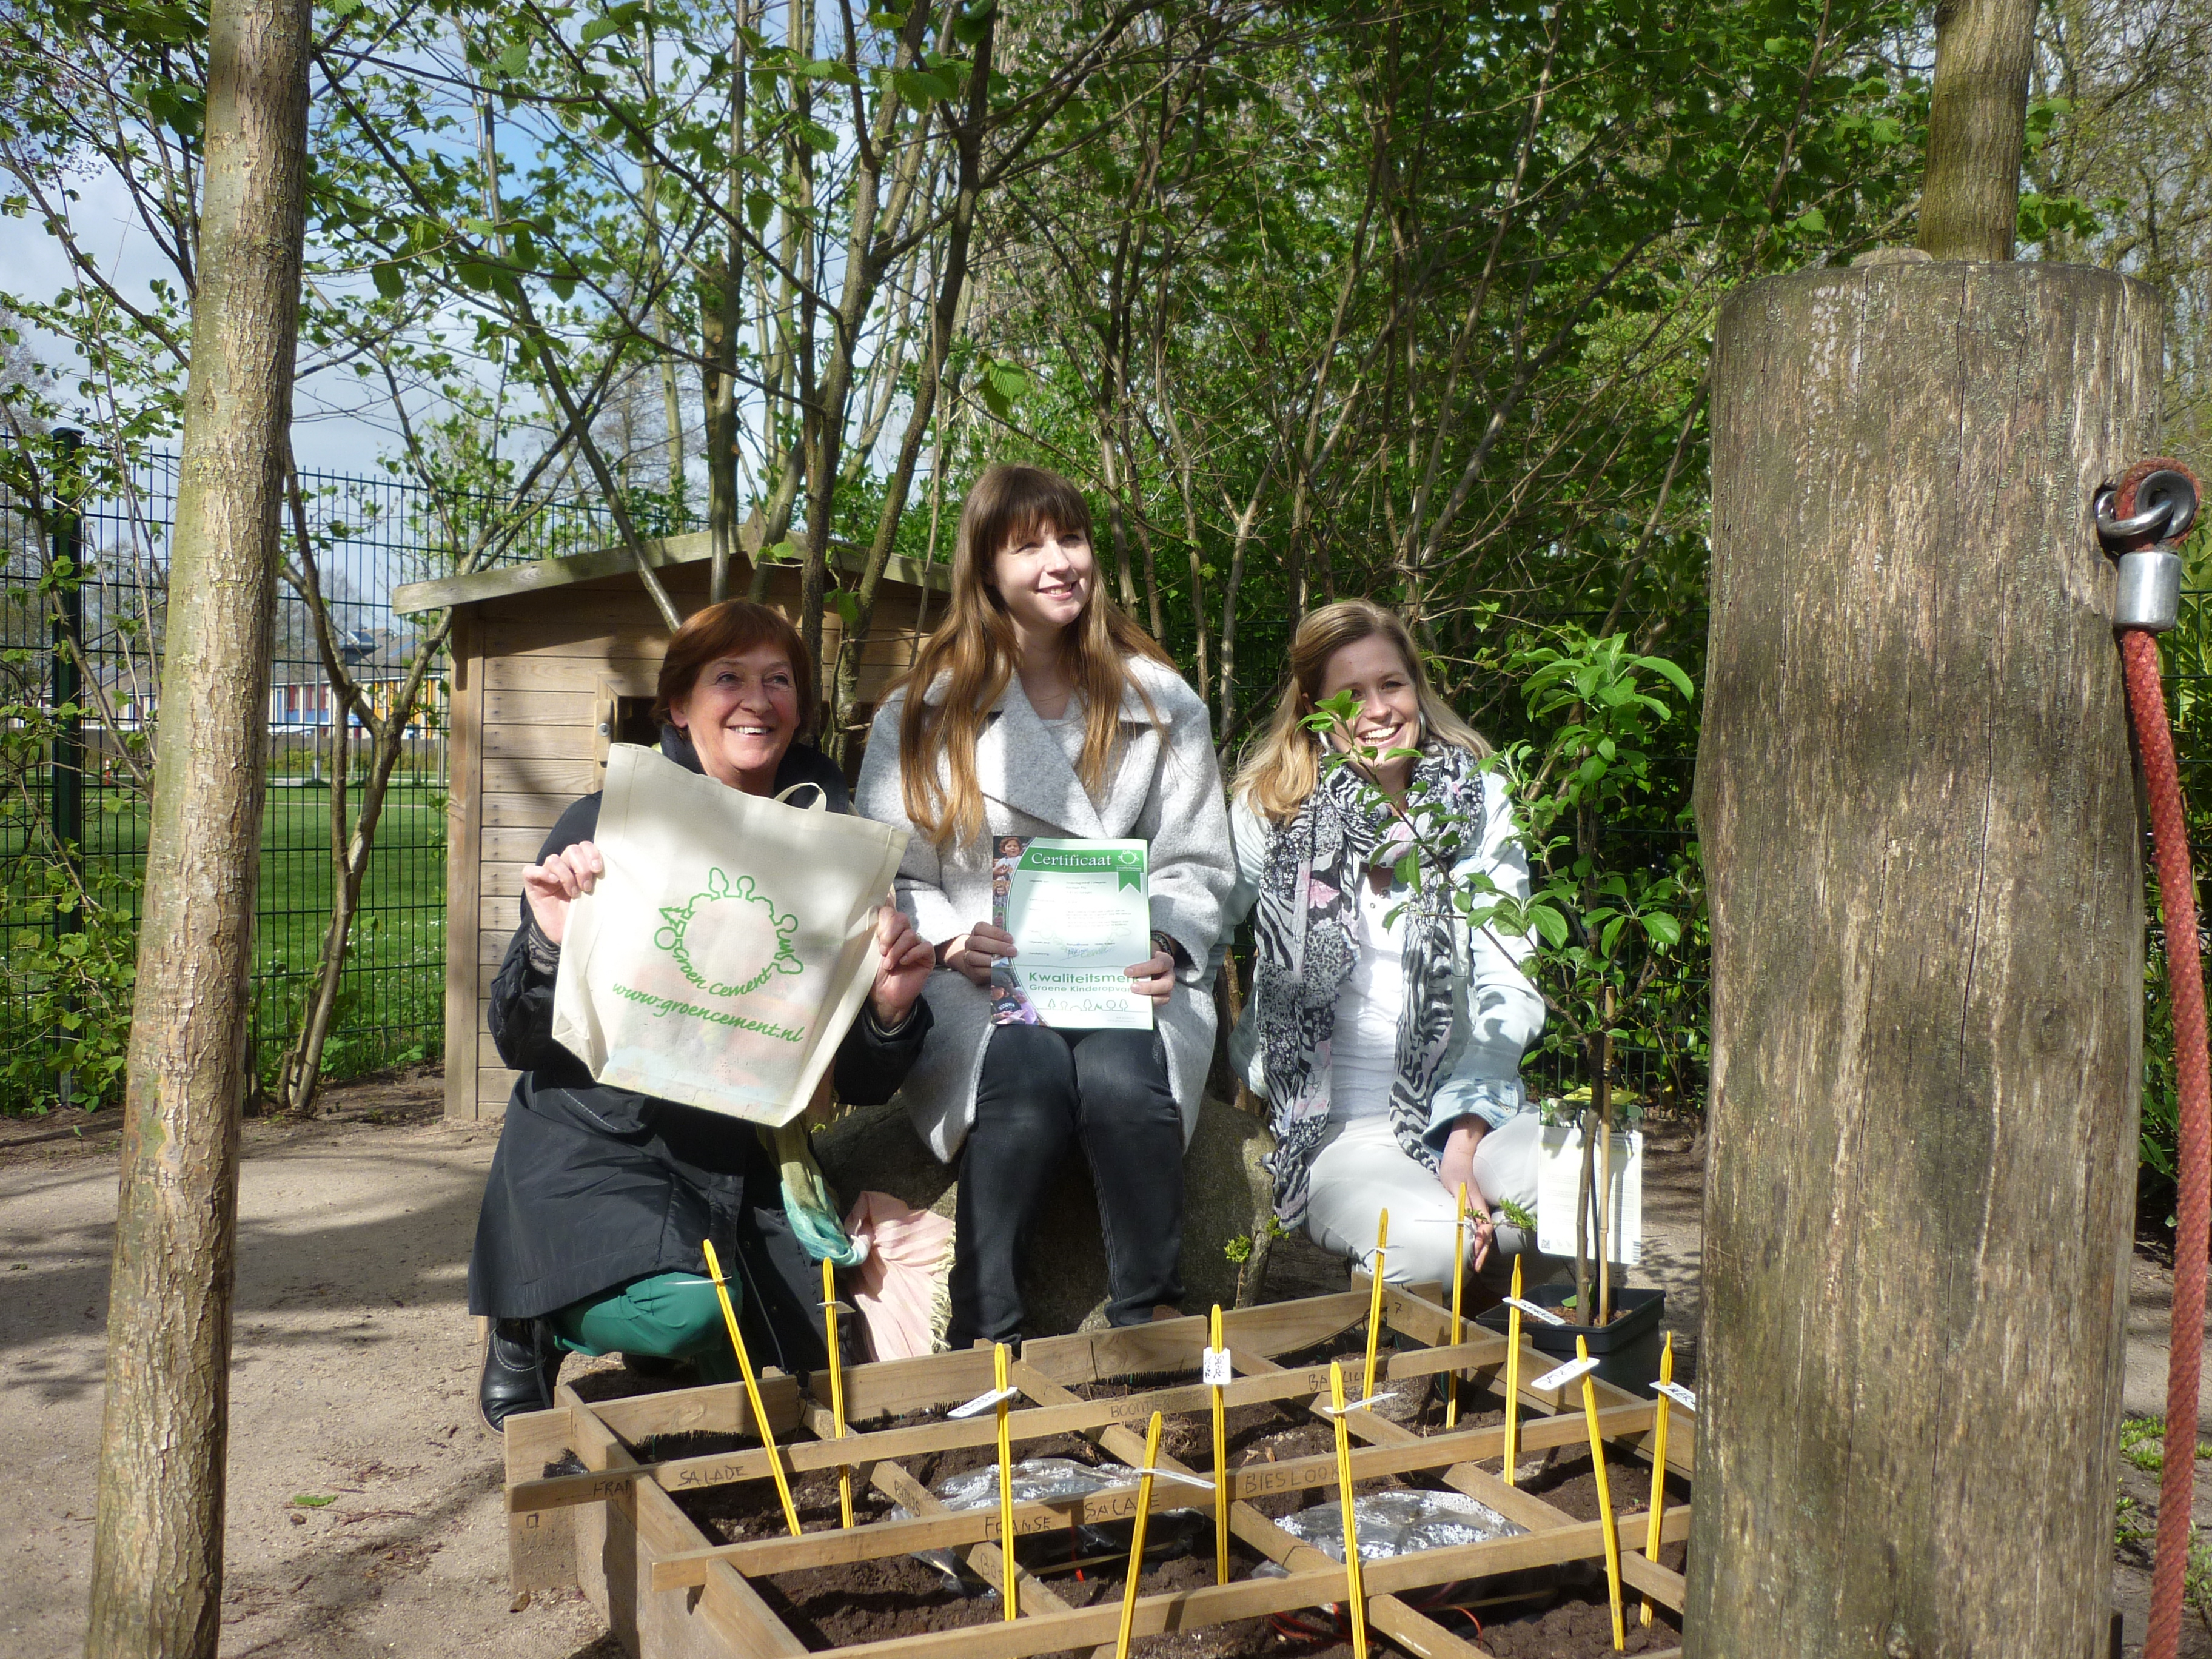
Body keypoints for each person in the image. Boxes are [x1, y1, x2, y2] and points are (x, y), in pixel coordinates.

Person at [469, 599, 937, 1430]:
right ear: (679, 708)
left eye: (778, 679)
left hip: (744, 1160)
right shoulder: (607, 831)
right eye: (729, 677)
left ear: (799, 709)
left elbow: (857, 1079)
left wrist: (891, 1010)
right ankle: (531, 1323)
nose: (757, 698)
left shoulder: (837, 858)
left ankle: (660, 1357)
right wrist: (547, 941)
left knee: (811, 1366)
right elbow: (517, 1038)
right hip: (601, 1141)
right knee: (695, 1311)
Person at [855, 464, 1232, 1347]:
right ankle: (985, 1332)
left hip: (1133, 977)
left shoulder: (1161, 702)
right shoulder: (920, 715)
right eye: (1028, 547)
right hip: (980, 986)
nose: (1061, 563)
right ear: (986, 571)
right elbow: (889, 871)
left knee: (1120, 1075)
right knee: (1018, 1079)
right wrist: (950, 942)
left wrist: (1168, 941)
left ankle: (1152, 1318)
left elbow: (1199, 860)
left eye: (1072, 539)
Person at [1219, 599, 1550, 1292]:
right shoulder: (1271, 809)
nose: (1378, 709)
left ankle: (1525, 1327)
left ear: (1417, 688)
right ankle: (1406, 1376)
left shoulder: (1477, 797)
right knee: (1436, 1239)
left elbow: (1508, 970)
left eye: (1392, 684)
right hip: (1339, 1126)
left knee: (1594, 1182)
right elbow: (1201, 921)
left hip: (1467, 1104)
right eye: (1351, 695)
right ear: (1315, 710)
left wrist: (1463, 1139)